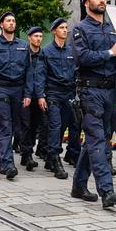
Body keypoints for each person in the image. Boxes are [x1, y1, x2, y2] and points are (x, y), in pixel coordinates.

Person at [69, 0, 116, 207]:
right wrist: (109, 52)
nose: (102, 0)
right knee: (97, 141)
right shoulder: (79, 29)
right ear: (87, 3)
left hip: (110, 91)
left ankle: (78, 185)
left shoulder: (114, 29)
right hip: (90, 90)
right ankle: (107, 191)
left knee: (100, 139)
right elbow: (82, 58)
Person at [0, 11, 34, 179]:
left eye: (13, 20)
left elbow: (29, 71)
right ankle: (8, 164)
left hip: (18, 91)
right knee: (4, 126)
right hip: (1, 89)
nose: (12, 23)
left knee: (13, 128)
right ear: (1, 25)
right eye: (8, 21)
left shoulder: (23, 45)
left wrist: (28, 93)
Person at [35, 18, 80, 179]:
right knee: (55, 125)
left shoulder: (71, 51)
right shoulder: (46, 51)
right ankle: (55, 159)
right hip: (53, 92)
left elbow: (76, 72)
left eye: (66, 28)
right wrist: (40, 96)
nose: (65, 30)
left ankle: (49, 155)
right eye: (61, 28)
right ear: (54, 31)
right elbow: (40, 75)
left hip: (68, 94)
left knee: (63, 127)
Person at [20, 26, 48, 170]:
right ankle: (27, 154)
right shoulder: (24, 53)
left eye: (40, 36)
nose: (38, 39)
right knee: (26, 125)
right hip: (26, 95)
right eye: (35, 36)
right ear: (29, 38)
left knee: (37, 125)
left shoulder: (44, 55)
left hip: (40, 96)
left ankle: (30, 152)